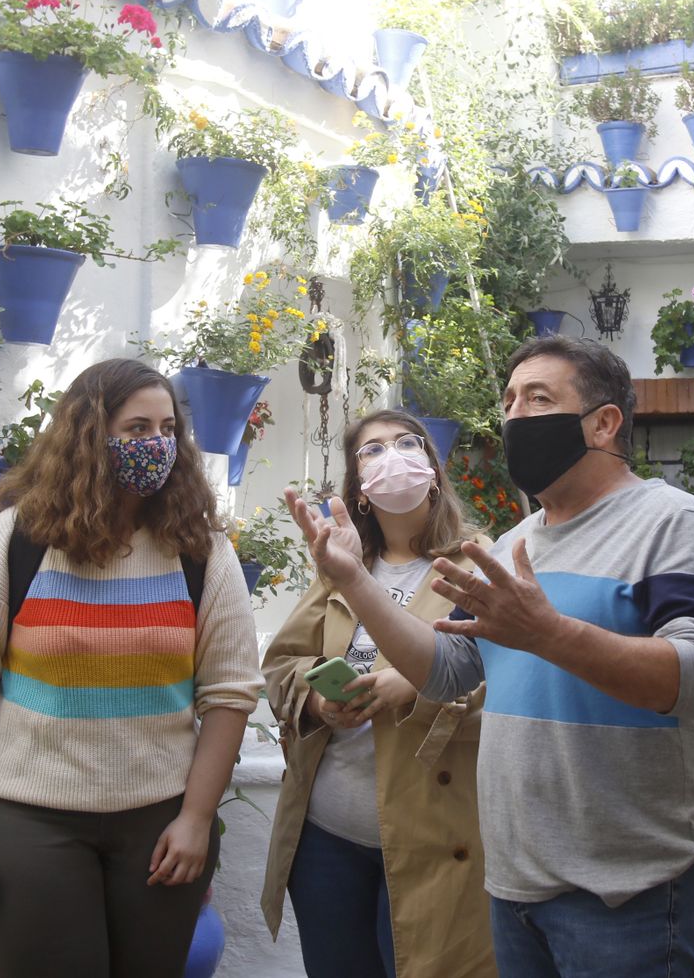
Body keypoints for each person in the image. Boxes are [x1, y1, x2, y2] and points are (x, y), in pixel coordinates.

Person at [285, 337, 694, 978]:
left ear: (604, 422)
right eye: (508, 401)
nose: (515, 416)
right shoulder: (511, 546)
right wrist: (355, 582)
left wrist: (550, 633)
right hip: (513, 887)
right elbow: (448, 672)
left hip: (629, 892)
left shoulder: (673, 522)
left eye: (538, 398)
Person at [0, 358, 261, 978]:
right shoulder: (14, 542)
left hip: (162, 825)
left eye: (166, 428)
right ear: (88, 436)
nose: (155, 444)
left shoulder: (201, 553)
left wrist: (195, 818)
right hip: (27, 820)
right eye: (135, 428)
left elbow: (231, 692)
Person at [262, 410, 497, 978]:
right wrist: (319, 699)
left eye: (406, 443)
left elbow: (504, 684)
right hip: (325, 839)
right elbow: (281, 665)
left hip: (433, 838)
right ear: (358, 488)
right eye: (371, 450)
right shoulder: (340, 567)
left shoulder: (477, 565)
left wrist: (415, 685)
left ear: (433, 470)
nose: (391, 456)